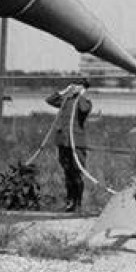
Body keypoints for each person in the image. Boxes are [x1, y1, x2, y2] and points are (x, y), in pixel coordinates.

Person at [45, 78, 92, 213]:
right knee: (68, 173)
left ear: (83, 87)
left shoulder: (86, 102)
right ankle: (70, 202)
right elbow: (49, 100)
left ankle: (78, 203)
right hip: (63, 142)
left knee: (77, 173)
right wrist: (64, 91)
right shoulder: (66, 100)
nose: (74, 87)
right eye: (74, 84)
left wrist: (81, 94)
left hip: (76, 143)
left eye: (77, 85)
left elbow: (84, 109)